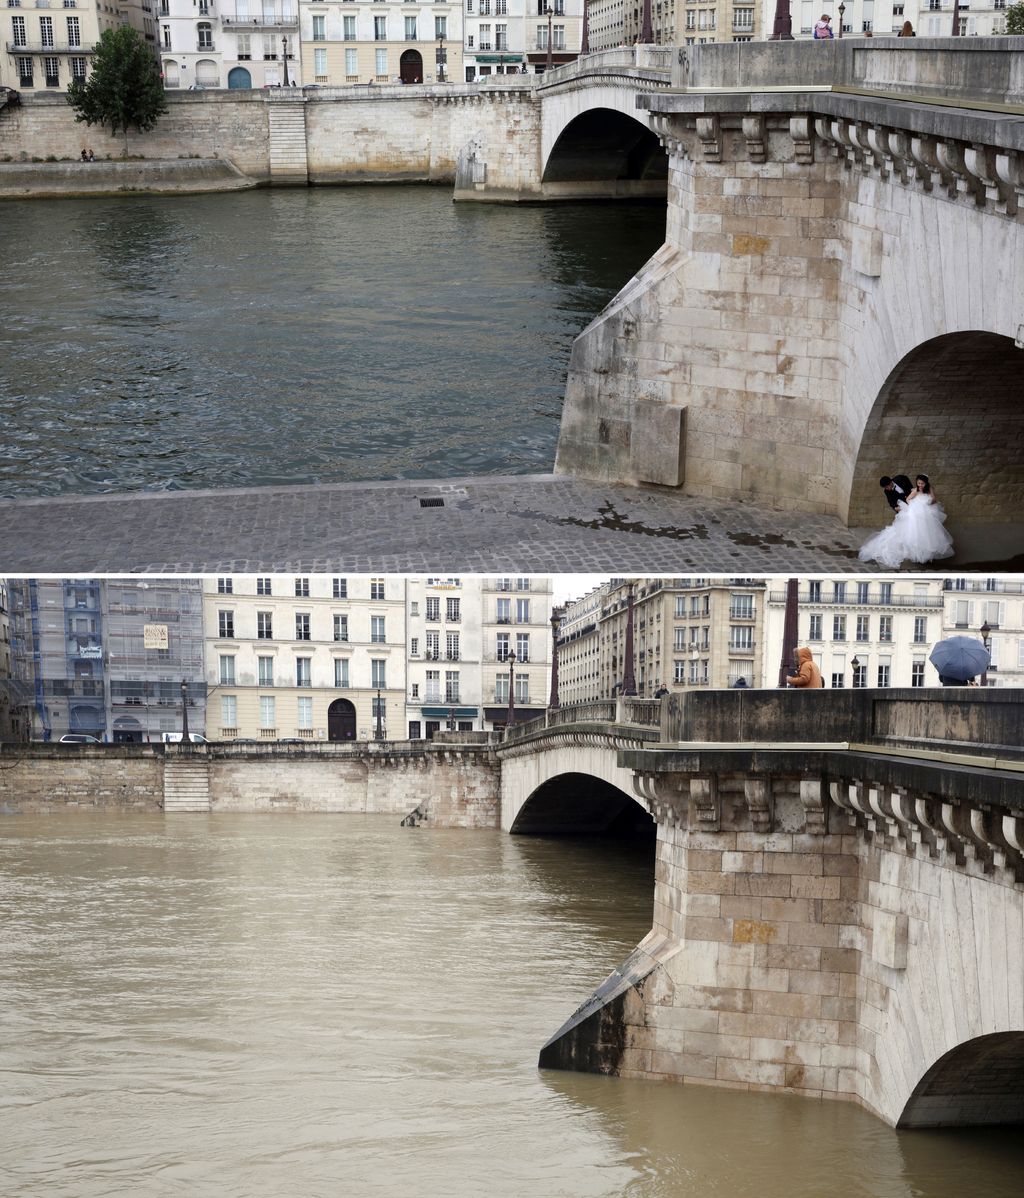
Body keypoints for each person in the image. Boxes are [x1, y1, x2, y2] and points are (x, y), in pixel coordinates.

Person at [858, 473, 955, 569]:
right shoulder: (888, 491)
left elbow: (931, 498)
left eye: (888, 486)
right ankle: (913, 552)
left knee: (928, 531)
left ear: (891, 482)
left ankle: (927, 552)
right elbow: (892, 501)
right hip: (910, 508)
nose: (887, 488)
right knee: (911, 531)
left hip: (924, 509)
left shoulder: (901, 479)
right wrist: (898, 507)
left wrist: (923, 501)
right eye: (886, 487)